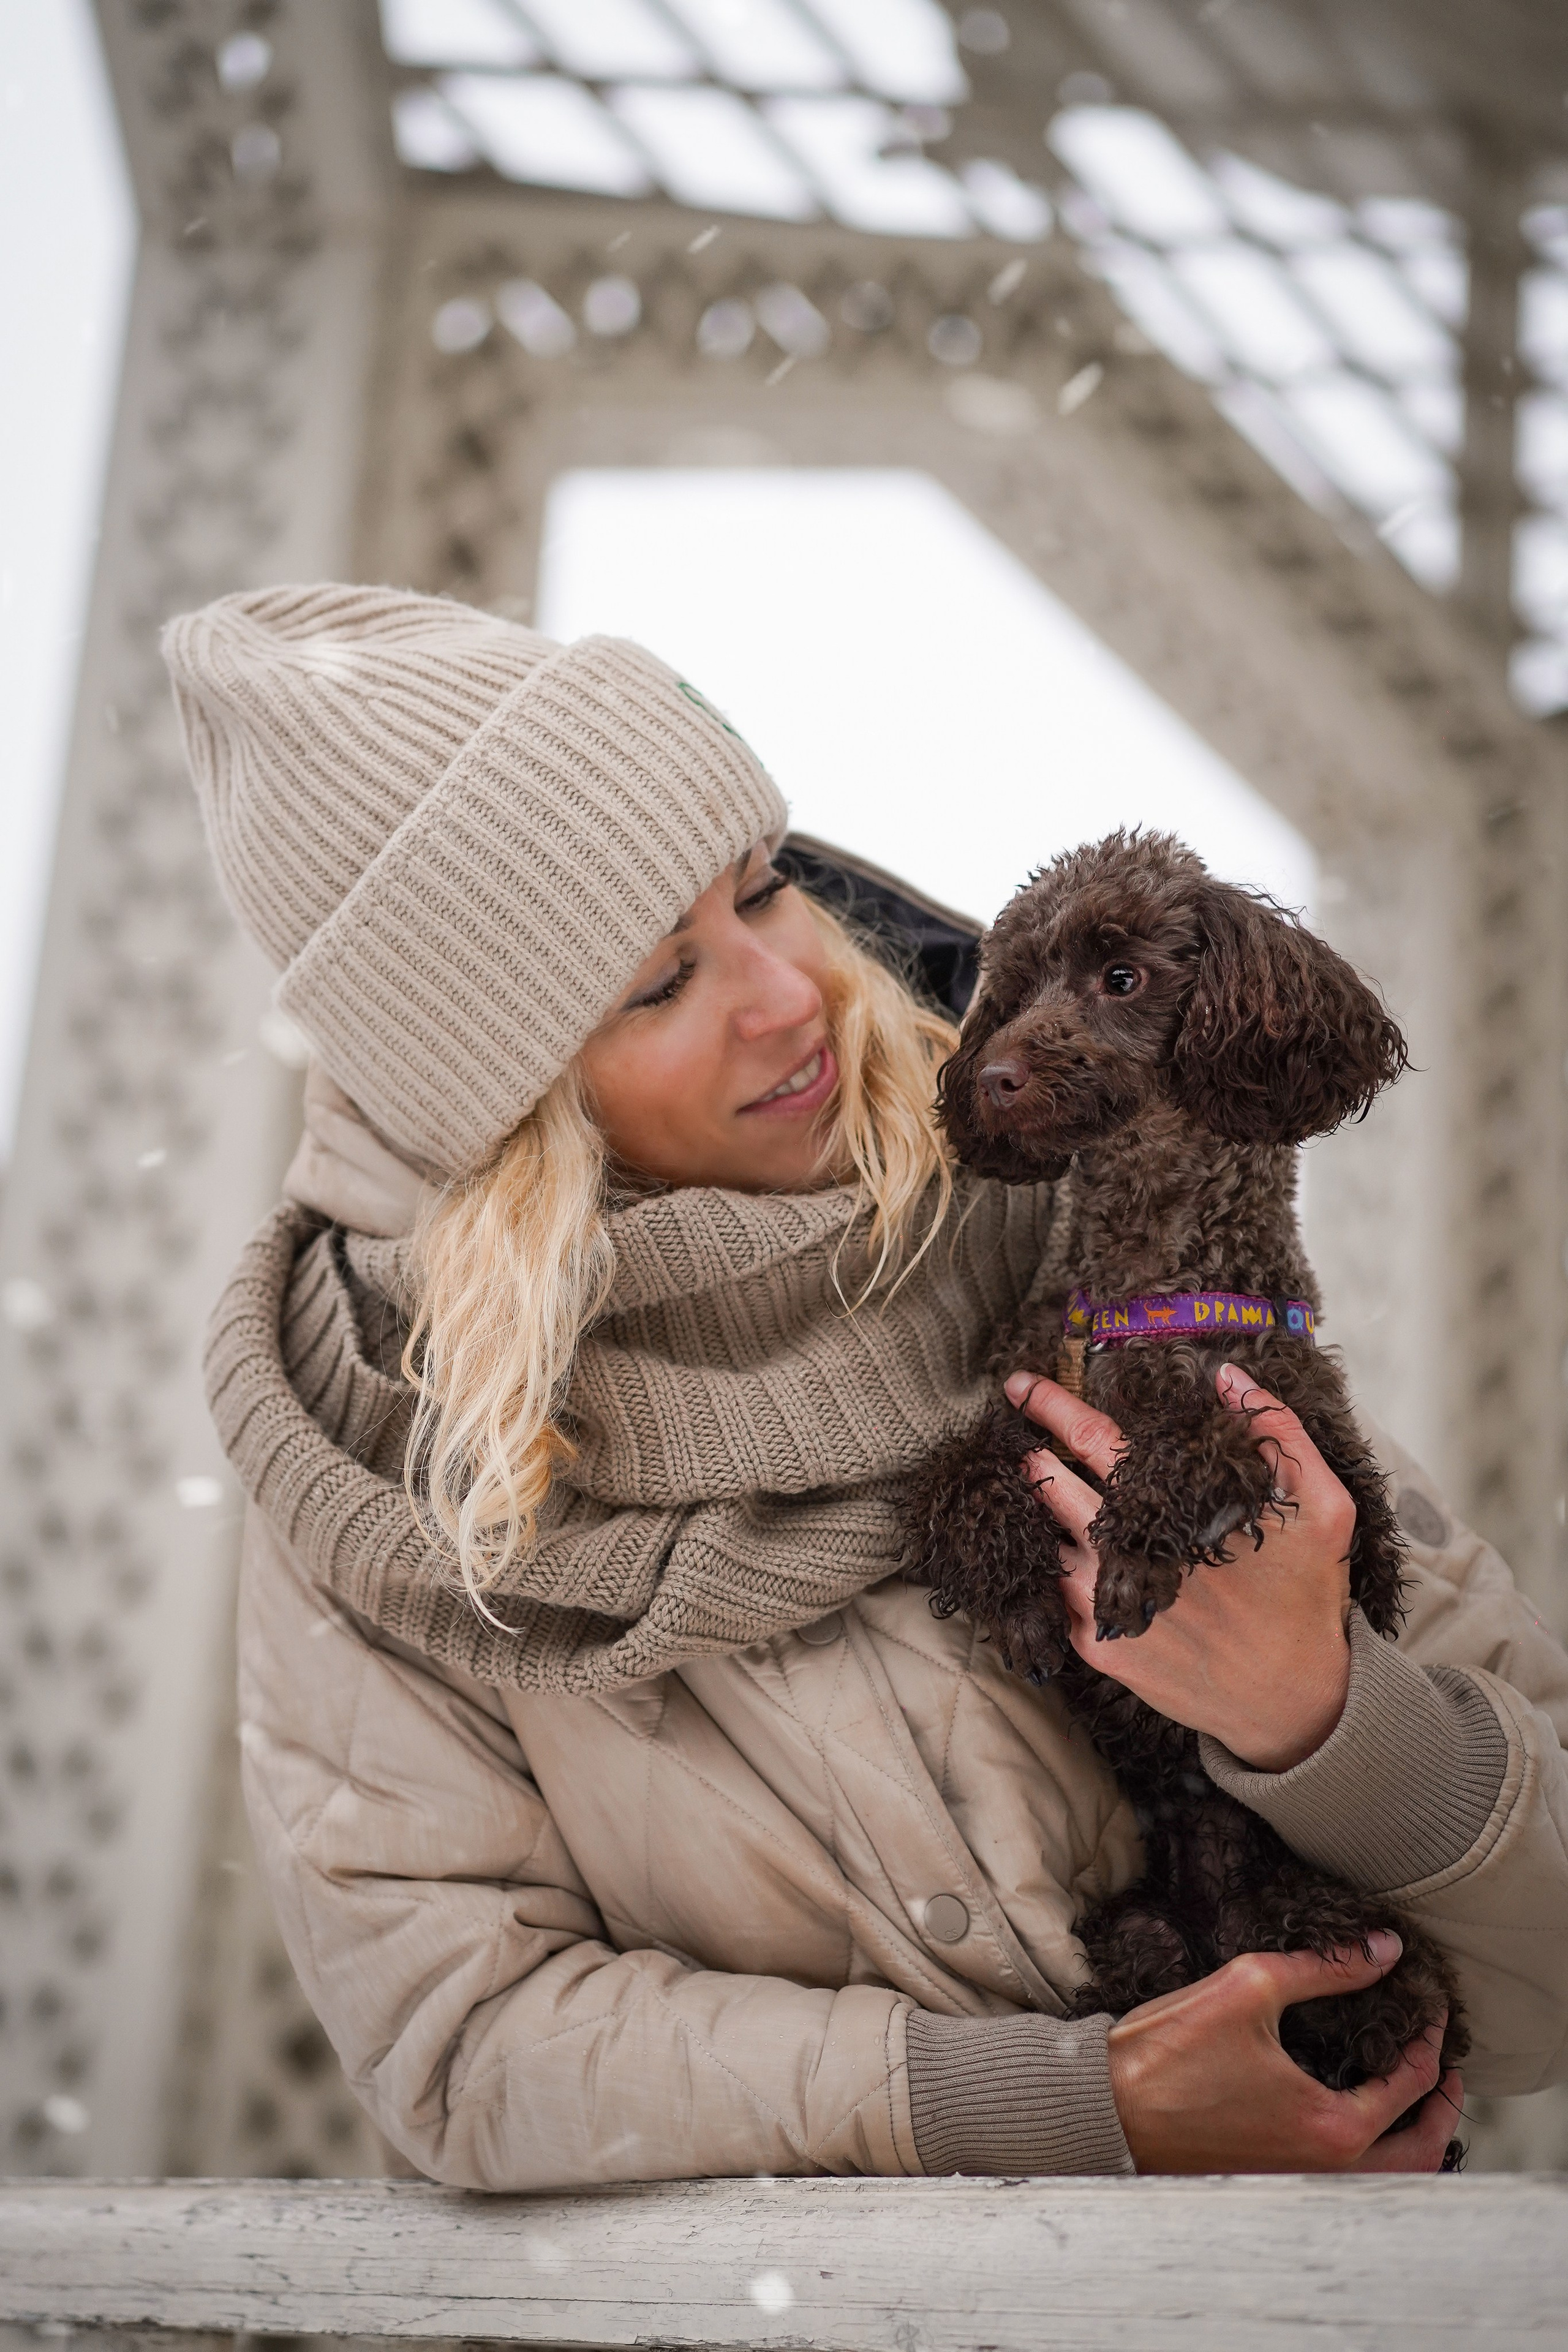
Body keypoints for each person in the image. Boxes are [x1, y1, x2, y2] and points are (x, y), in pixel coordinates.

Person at [168, 584, 1568, 2188]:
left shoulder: (1087, 1219)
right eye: (652, 985)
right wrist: (1065, 2104)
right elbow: (464, 2054)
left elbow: (1555, 1977)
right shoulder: (389, 1465)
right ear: (498, 1105)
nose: (783, 993)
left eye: (761, 891)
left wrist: (1325, 1714)